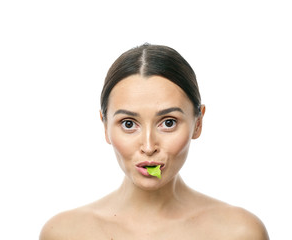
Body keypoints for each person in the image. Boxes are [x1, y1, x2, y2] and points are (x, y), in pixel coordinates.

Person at [40, 44, 269, 240]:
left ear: (198, 124)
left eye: (168, 122)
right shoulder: (63, 233)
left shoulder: (239, 232)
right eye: (129, 124)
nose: (149, 147)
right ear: (105, 126)